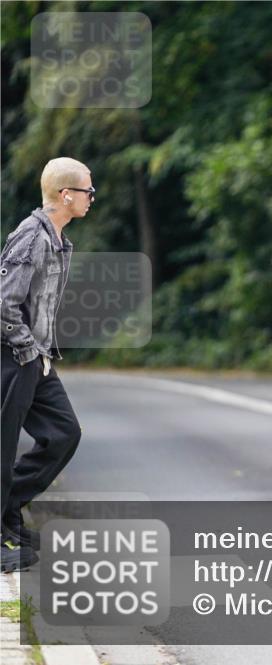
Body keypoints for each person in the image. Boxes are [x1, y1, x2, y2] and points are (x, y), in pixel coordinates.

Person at [1, 157, 90, 572]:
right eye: (88, 191)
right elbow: (4, 304)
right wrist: (28, 350)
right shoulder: (31, 237)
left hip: (37, 359)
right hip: (13, 357)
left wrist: (43, 354)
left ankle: (8, 514)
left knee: (63, 433)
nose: (92, 198)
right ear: (65, 194)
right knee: (3, 449)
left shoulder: (58, 240)